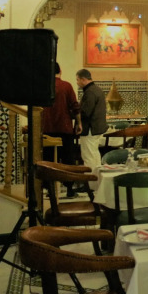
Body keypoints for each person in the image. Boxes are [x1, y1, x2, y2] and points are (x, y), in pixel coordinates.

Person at [41, 62, 81, 197]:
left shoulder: (44, 87)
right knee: (68, 159)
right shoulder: (66, 86)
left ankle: (49, 190)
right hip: (64, 128)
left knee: (48, 160)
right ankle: (69, 189)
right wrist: (79, 123)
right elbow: (75, 107)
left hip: (47, 128)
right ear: (60, 71)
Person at [76, 68, 107, 169]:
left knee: (88, 156)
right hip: (96, 128)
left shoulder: (90, 92)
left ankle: (90, 177)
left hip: (90, 128)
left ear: (83, 79)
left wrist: (75, 113)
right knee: (94, 154)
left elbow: (85, 112)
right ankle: (97, 176)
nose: (77, 82)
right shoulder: (97, 89)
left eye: (78, 80)